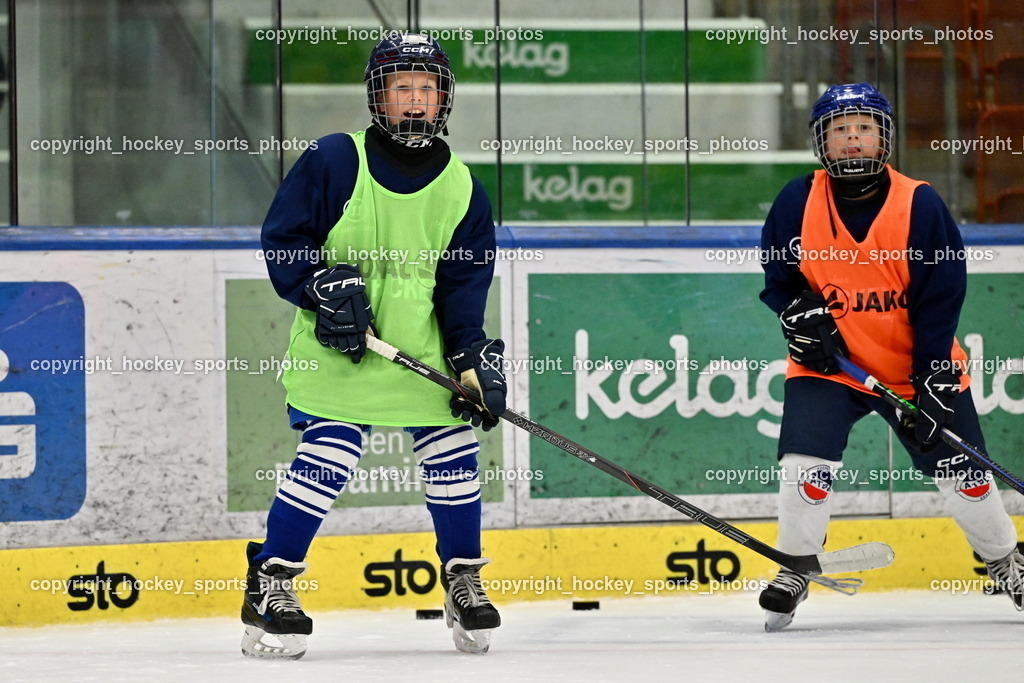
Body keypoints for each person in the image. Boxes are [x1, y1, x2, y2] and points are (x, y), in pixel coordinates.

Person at [240, 31, 506, 659]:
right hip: (339, 353)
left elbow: (464, 291)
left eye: (426, 89)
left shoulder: (464, 186)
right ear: (378, 98)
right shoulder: (334, 159)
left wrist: (470, 362)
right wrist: (317, 288)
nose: (415, 101)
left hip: (420, 358)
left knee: (453, 451)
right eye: (401, 89)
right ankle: (271, 579)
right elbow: (284, 240)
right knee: (329, 452)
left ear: (443, 98)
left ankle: (462, 574)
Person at [757, 82, 1023, 631]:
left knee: (967, 476)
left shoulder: (919, 204)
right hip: (831, 369)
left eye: (864, 129)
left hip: (914, 369)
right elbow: (778, 282)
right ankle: (796, 565)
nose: (852, 140)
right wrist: (797, 316)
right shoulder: (795, 201)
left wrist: (931, 379)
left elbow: (941, 297)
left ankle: (1006, 561)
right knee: (804, 469)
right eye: (839, 130)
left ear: (884, 138)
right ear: (821, 142)